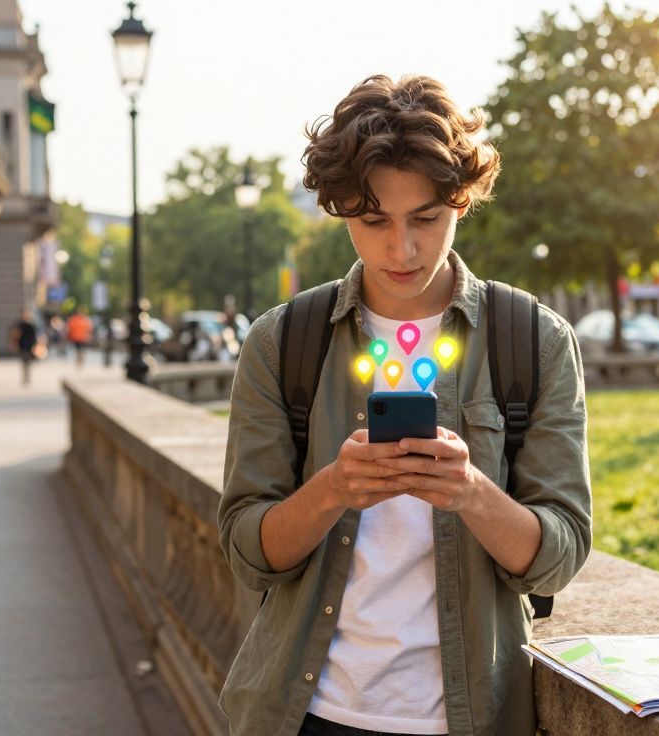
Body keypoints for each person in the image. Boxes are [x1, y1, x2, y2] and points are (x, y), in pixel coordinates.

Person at [217, 75, 593, 736]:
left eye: (426, 218)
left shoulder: (533, 341)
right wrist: (332, 489)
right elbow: (248, 552)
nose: (403, 248)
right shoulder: (283, 342)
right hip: (304, 713)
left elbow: (560, 555)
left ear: (464, 202)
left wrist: (470, 492)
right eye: (374, 221)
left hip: (472, 717)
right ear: (339, 211)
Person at [8, 308, 43, 387]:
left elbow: (38, 336)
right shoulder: (19, 325)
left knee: (28, 362)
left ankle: (27, 376)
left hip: (31, 346)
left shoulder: (32, 325)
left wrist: (38, 344)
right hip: (22, 346)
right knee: (24, 361)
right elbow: (15, 335)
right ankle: (25, 376)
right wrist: (14, 344)